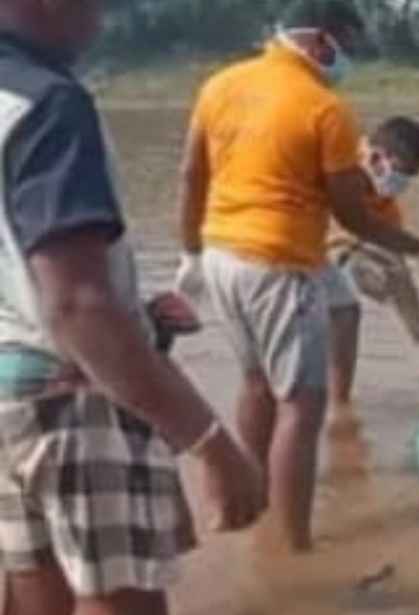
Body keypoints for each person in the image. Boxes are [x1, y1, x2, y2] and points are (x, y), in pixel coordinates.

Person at [0, 2, 266, 614]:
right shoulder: (50, 104)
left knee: (34, 589)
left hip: (10, 394)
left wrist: (137, 315)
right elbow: (76, 307)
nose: (99, 19)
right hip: (73, 397)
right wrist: (212, 445)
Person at [174, 0, 419, 552]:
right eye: (347, 44)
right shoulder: (327, 108)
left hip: (223, 255)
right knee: (302, 405)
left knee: (256, 383)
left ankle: (249, 508)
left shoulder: (220, 85)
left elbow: (190, 176)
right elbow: (351, 216)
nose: (348, 58)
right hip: (280, 263)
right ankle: (294, 545)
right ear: (323, 40)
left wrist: (191, 252)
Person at [323, 116, 419, 434]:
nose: (403, 182)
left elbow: (396, 259)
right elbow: (349, 225)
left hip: (337, 251)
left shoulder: (384, 199)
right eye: (403, 171)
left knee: (394, 275)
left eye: (410, 176)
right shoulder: (338, 165)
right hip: (298, 244)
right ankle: (336, 405)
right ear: (377, 157)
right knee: (346, 305)